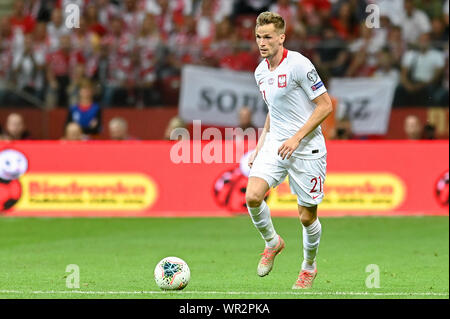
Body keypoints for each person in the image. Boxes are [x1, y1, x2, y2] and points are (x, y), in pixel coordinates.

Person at [246, 12, 333, 289]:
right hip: (276, 144)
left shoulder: (299, 65)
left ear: (281, 37)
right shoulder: (260, 72)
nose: (262, 43)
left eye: (268, 37)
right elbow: (274, 111)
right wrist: (261, 145)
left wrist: (296, 138)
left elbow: (325, 105)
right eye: (259, 37)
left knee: (307, 217)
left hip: (306, 147)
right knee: (253, 196)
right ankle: (272, 243)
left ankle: (308, 266)